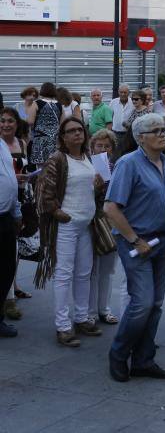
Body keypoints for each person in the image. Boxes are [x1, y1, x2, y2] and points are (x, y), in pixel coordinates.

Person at [106, 113, 165, 382]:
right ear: (140, 138)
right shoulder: (128, 164)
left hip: (162, 241)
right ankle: (118, 355)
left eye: (164, 129)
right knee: (143, 302)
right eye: (156, 131)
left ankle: (143, 360)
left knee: (156, 304)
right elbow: (111, 208)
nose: (163, 134)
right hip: (136, 243)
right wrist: (135, 239)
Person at [36, 117, 104, 347]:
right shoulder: (58, 158)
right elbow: (44, 189)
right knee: (64, 274)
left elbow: (89, 189)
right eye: (71, 131)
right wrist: (57, 212)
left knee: (84, 272)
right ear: (63, 137)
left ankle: (82, 318)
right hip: (67, 224)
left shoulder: (87, 157)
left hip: (86, 224)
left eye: (79, 130)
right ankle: (63, 326)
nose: (77, 133)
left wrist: (97, 187)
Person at [87, 130, 119, 326]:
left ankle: (104, 309)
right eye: (99, 146)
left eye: (107, 146)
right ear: (92, 147)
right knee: (91, 269)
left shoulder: (117, 167)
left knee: (108, 268)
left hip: (110, 221)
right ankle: (89, 311)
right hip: (92, 220)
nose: (103, 150)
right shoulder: (87, 167)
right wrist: (96, 188)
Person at [0, 109, 25, 327]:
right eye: (2, 121)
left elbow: (10, 181)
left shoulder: (11, 146)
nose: (6, 124)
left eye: (10, 121)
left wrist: (17, 211)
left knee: (9, 263)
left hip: (10, 211)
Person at [25, 82, 63, 167]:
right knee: (55, 166)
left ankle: (42, 180)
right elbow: (63, 123)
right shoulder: (59, 105)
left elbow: (30, 121)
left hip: (40, 140)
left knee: (41, 168)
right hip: (55, 140)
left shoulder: (37, 103)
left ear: (42, 91)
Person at [109, 85, 133, 160]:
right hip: (115, 133)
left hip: (128, 134)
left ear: (128, 93)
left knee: (127, 153)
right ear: (118, 92)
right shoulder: (113, 102)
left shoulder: (133, 102)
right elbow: (110, 116)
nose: (123, 94)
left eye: (125, 92)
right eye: (121, 92)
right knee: (115, 154)